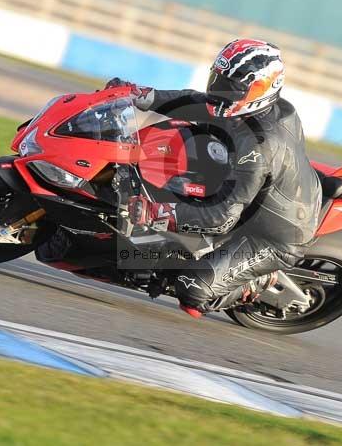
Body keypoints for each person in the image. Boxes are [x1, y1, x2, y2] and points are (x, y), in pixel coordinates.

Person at [109, 38, 323, 318]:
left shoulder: (261, 147)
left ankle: (259, 281)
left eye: (230, 87)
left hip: (270, 235)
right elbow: (195, 102)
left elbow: (222, 217)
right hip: (254, 192)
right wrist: (142, 95)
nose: (218, 91)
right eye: (218, 80)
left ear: (258, 89)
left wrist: (155, 212)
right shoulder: (253, 108)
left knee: (190, 288)